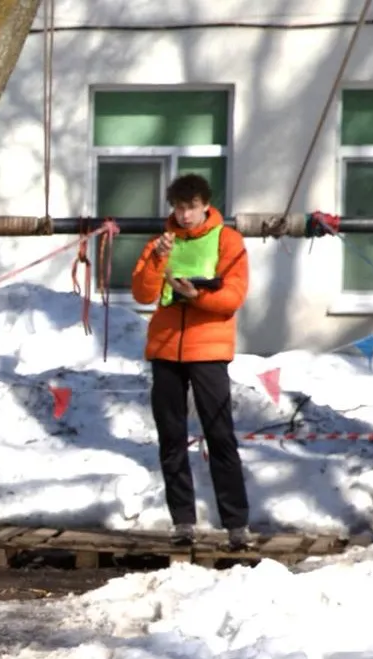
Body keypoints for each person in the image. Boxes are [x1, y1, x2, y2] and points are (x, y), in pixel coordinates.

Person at [131, 172, 254, 550]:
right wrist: (157, 260)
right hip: (166, 348)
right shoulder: (159, 243)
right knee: (171, 438)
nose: (184, 216)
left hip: (209, 351)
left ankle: (236, 525)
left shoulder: (228, 241)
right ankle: (182, 521)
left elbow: (232, 297)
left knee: (220, 437)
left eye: (191, 208)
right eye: (178, 208)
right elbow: (142, 292)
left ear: (206, 206)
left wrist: (195, 295)